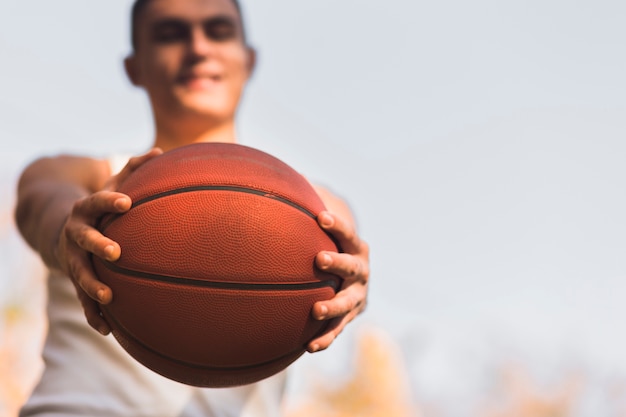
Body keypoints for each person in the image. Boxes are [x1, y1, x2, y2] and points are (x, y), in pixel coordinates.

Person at [14, 0, 370, 416]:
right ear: (134, 67)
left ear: (248, 59)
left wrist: (352, 290)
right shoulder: (92, 182)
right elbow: (41, 204)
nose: (198, 48)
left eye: (218, 31)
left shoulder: (313, 207)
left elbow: (350, 263)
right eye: (170, 34)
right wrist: (67, 234)